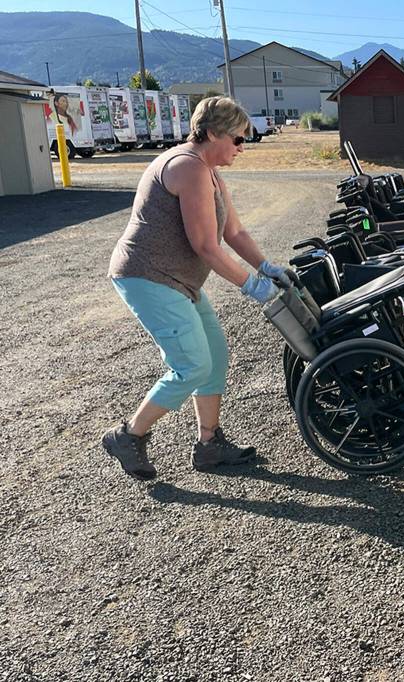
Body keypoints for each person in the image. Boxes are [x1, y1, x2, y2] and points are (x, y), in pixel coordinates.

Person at [104, 96, 288, 481]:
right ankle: (128, 435)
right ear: (213, 133)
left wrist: (267, 267)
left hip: (178, 279)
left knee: (215, 356)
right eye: (238, 139)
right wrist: (252, 287)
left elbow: (233, 231)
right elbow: (205, 245)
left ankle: (209, 445)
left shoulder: (210, 170)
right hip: (148, 275)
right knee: (191, 365)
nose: (242, 147)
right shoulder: (187, 167)